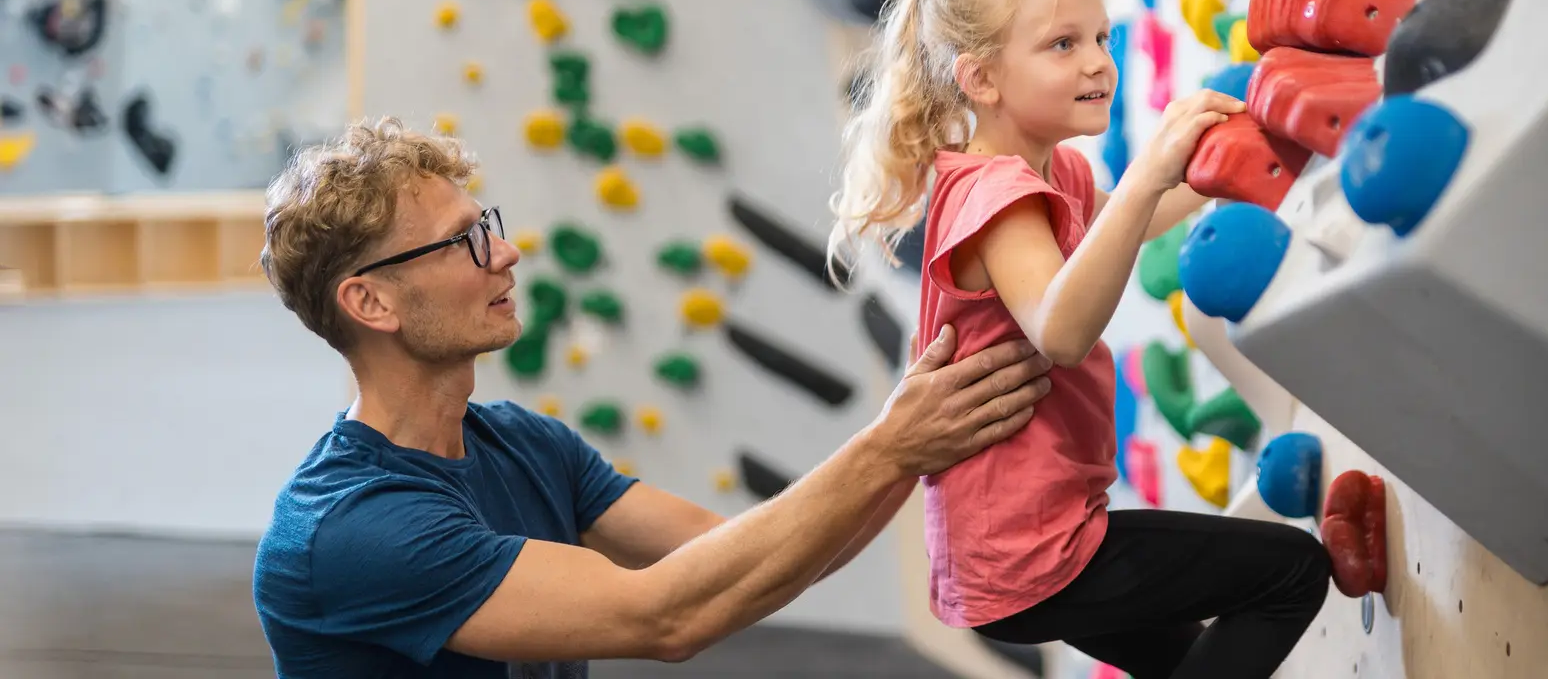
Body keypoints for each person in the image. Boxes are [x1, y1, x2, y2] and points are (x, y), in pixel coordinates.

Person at [250, 118, 1056, 678]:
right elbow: (664, 617)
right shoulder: (351, 531)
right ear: (371, 304)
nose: (506, 252)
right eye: (465, 241)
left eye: (484, 222)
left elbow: (748, 554)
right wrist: (894, 445)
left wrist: (920, 432)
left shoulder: (521, 444)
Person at [827, 0, 1333, 679]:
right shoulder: (992, 198)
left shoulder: (1048, 168)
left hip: (1035, 538)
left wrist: (1266, 148)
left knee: (1193, 659)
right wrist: (1146, 175)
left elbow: (1132, 219)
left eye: (1098, 37)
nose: (1099, 60)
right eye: (1063, 44)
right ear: (982, 80)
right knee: (1291, 574)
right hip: (1026, 552)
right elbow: (1060, 329)